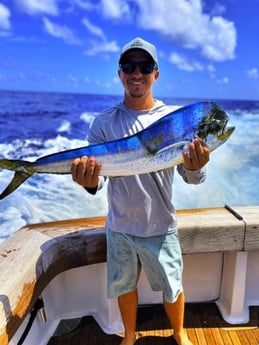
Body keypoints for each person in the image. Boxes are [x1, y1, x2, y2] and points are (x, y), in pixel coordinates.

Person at [71, 37, 209, 345]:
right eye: (129, 66)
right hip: (119, 226)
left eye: (145, 66)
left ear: (156, 74)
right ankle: (130, 336)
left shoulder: (174, 120)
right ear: (119, 74)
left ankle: (179, 333)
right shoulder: (105, 122)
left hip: (160, 224)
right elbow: (98, 182)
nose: (137, 73)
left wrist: (196, 165)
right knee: (124, 286)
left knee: (173, 286)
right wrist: (87, 180)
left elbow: (193, 178)